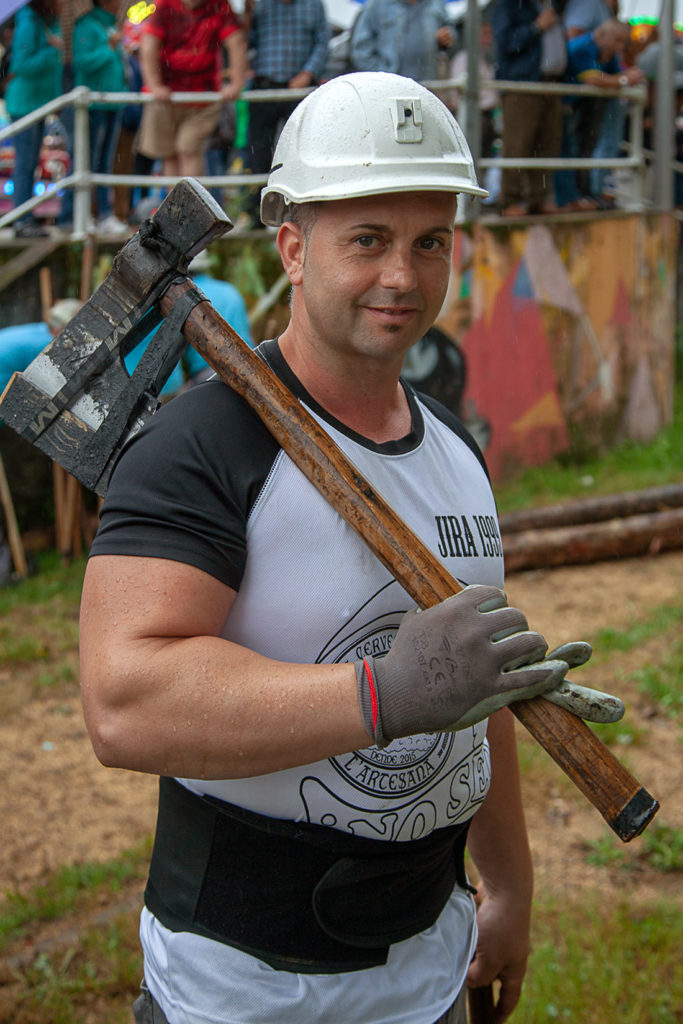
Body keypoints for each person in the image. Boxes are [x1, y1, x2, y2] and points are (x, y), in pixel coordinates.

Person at [79, 72, 616, 1024]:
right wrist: (382, 695)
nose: (401, 277)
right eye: (366, 240)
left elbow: (476, 681)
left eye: (428, 242)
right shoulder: (204, 446)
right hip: (240, 990)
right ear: (292, 246)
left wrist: (510, 884)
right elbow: (124, 703)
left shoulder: (455, 450)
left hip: (428, 964)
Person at [240, 0, 330, 228]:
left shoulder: (313, 5)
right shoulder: (259, 6)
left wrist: (307, 73)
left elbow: (322, 43)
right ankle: (255, 214)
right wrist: (247, 15)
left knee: (300, 151)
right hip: (265, 86)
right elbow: (245, 41)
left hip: (298, 88)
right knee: (258, 152)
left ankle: (302, 210)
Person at [138, 0, 247, 179]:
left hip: (202, 97)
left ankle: (188, 205)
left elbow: (236, 43)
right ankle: (177, 205)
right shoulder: (164, 6)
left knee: (188, 150)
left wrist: (236, 84)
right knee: (170, 155)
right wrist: (155, 85)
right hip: (168, 96)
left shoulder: (219, 6)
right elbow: (148, 45)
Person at [554, 18, 644, 210]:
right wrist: (623, 80)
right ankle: (570, 198)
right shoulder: (582, 47)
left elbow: (609, 77)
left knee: (583, 149)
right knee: (568, 151)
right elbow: (593, 80)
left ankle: (585, 195)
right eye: (618, 41)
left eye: (623, 42)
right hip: (565, 107)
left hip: (582, 108)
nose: (620, 47)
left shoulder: (605, 50)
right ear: (603, 35)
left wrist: (619, 79)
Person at [492, 0, 565, 217]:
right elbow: (506, 43)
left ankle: (538, 199)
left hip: (550, 82)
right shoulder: (509, 5)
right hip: (522, 84)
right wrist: (536, 27)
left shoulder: (550, 6)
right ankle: (509, 200)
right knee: (518, 143)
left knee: (547, 144)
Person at [4, 0, 63, 238]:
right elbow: (22, 64)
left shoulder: (45, 22)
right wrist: (51, 51)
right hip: (24, 104)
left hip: (37, 103)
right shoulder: (28, 23)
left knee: (30, 162)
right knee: (25, 163)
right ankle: (21, 219)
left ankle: (26, 217)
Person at [73, 0, 130, 234]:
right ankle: (85, 213)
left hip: (112, 103)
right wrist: (108, 48)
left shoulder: (109, 26)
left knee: (106, 161)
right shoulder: (86, 26)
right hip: (94, 105)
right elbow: (83, 62)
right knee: (90, 161)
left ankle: (105, 214)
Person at [350, 0, 456, 82]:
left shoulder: (436, 3)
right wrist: (382, 75)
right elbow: (361, 50)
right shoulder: (378, 4)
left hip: (427, 88)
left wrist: (447, 37)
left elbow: (451, 34)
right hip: (389, 90)